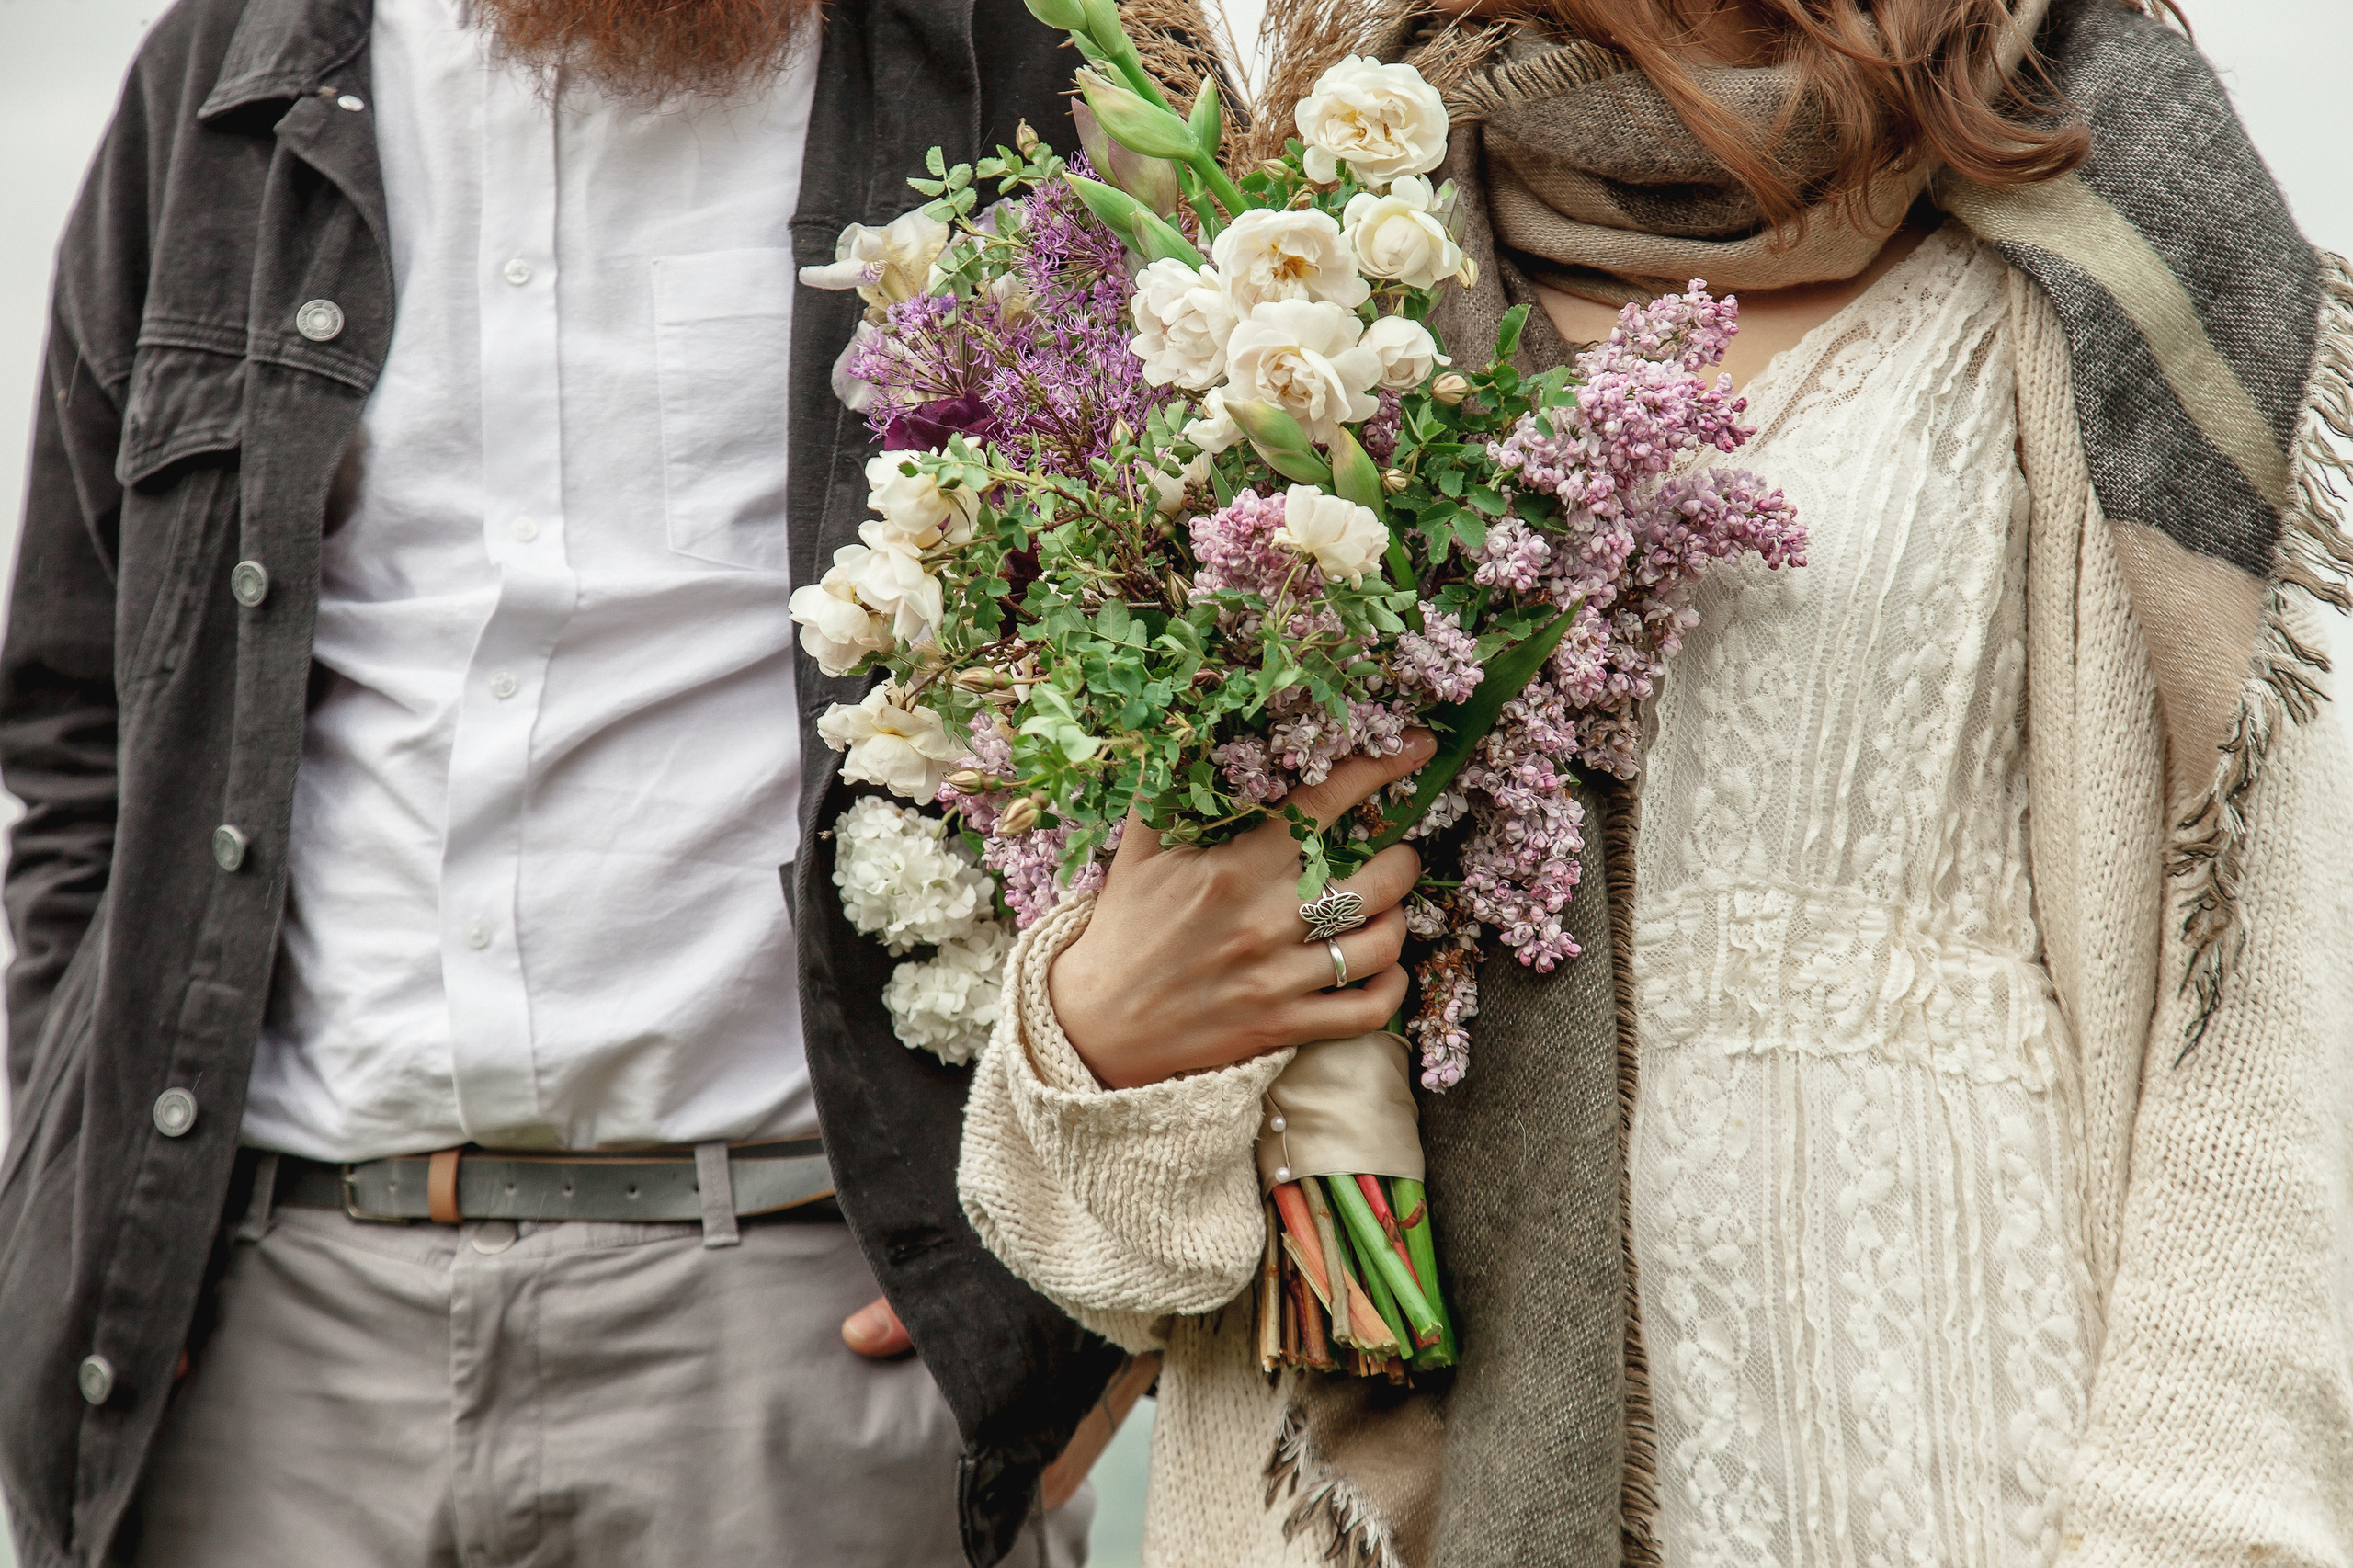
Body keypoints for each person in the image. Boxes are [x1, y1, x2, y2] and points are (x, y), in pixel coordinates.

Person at [957, 0, 2353, 1563]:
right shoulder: (1285, 279)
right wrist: (1099, 1035)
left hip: (1983, 1441)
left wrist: (2192, 1529)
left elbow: (2282, 1022)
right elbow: (1114, 1246)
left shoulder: (2137, 252)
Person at [0, 0, 1140, 1562]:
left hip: (808, 1341)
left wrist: (1086, 1293)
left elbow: (1209, 699)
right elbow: (78, 728)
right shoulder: (220, 82)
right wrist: (89, 1219)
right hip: (272, 1338)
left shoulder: (996, 64)